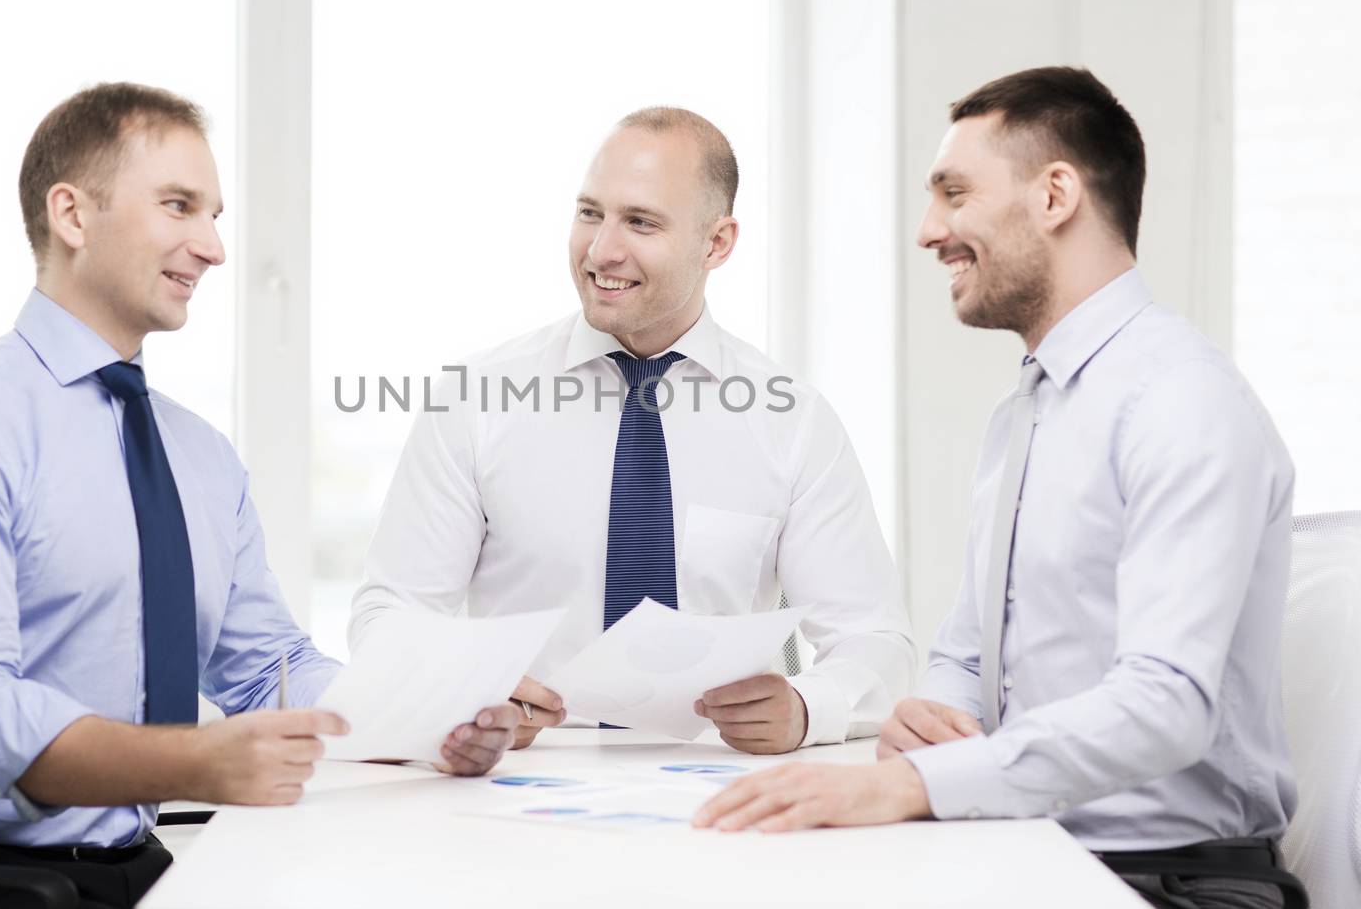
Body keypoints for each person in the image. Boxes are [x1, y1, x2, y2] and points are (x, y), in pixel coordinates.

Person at [0, 83, 520, 908]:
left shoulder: (197, 455)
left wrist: (426, 726)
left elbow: (271, 666)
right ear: (73, 216)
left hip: (133, 864)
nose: (213, 247)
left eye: (215, 215)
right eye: (179, 206)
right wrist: (192, 761)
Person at [692, 67, 1303, 908]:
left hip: (1171, 881)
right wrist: (927, 722)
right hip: (1026, 849)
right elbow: (966, 655)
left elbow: (1167, 704)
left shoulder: (1182, 401)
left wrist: (916, 788)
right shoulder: (1027, 409)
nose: (928, 230)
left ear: (1056, 195)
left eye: (953, 192)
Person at [350, 107, 914, 754]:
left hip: (719, 786)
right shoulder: (475, 402)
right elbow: (388, 615)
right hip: (515, 790)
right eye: (590, 213)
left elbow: (876, 640)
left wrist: (807, 708)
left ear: (718, 243)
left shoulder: (792, 421)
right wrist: (461, 692)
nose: (600, 250)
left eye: (640, 222)